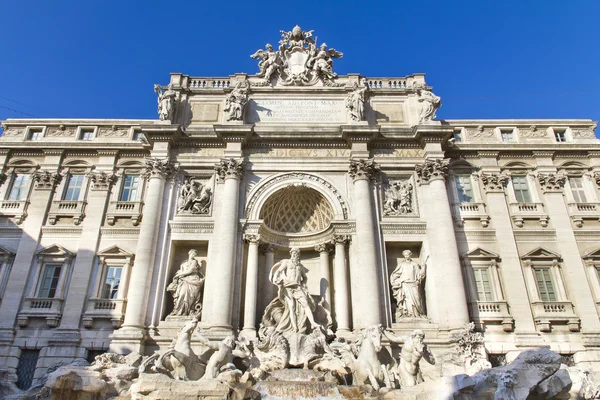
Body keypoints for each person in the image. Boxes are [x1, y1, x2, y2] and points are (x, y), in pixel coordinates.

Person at [262, 247, 320, 334]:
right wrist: (276, 279)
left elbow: (304, 278)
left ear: (298, 255)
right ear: (291, 254)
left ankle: (312, 323)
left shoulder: (300, 266)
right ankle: (294, 327)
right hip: (287, 286)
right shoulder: (287, 262)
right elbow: (278, 271)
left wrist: (303, 285)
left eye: (296, 253)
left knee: (305, 304)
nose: (294, 255)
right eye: (293, 253)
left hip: (297, 287)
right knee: (291, 306)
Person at [167, 250, 205, 317]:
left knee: (189, 296)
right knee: (181, 294)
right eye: (193, 253)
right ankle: (177, 311)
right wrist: (178, 274)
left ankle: (187, 311)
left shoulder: (194, 262)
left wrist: (178, 275)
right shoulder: (184, 262)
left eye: (195, 254)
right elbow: (182, 270)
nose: (194, 255)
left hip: (192, 280)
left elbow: (189, 271)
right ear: (189, 253)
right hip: (183, 280)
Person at [390, 250, 427, 318]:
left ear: (410, 255)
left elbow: (420, 274)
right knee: (407, 299)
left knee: (417, 299)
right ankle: (409, 314)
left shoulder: (414, 264)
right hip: (405, 284)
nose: (406, 256)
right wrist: (395, 281)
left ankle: (418, 314)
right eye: (405, 255)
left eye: (408, 255)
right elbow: (395, 274)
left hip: (414, 284)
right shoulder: (401, 264)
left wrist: (423, 266)